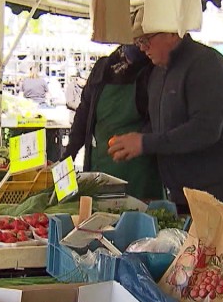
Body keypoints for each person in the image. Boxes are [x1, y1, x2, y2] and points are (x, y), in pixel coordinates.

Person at [108, 7, 223, 210]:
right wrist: (134, 140)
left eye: (146, 39)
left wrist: (144, 142)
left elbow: (205, 130)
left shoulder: (206, 64)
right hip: (180, 189)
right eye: (139, 42)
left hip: (216, 188)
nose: (142, 48)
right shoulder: (158, 72)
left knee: (209, 242)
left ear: (172, 33)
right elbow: (164, 124)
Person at [64, 45, 163, 200]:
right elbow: (83, 114)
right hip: (99, 167)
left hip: (139, 175)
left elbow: (162, 122)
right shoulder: (104, 68)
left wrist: (143, 140)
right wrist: (68, 155)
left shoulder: (154, 71)